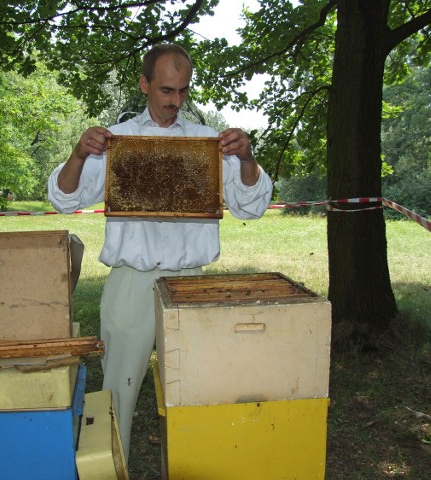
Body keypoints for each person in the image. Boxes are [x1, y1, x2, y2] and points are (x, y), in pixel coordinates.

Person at [48, 43, 273, 460]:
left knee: (196, 393)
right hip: (131, 282)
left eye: (184, 91)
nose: (176, 101)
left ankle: (194, 468)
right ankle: (112, 467)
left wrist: (247, 157)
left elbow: (251, 205)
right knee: (117, 393)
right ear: (144, 84)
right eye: (167, 91)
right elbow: (65, 199)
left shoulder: (209, 142)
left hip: (191, 283)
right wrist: (79, 153)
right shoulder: (119, 142)